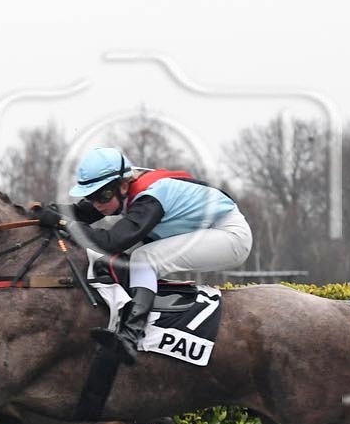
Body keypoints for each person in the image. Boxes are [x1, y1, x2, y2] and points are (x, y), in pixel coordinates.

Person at [34, 146, 253, 363]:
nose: (97, 204)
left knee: (144, 258)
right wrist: (40, 211)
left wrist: (61, 222)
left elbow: (111, 242)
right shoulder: (122, 188)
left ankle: (130, 335)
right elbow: (81, 213)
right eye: (91, 197)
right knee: (124, 261)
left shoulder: (150, 198)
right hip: (207, 231)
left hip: (230, 236)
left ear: (123, 185)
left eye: (102, 196)